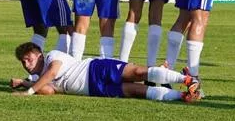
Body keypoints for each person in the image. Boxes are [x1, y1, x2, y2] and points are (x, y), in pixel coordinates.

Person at [11, 42, 202, 103]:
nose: (26, 64)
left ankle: (187, 79)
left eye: (29, 58)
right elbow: (48, 91)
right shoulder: (38, 80)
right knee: (136, 91)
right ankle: (184, 95)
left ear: (40, 55)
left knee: (137, 72)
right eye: (23, 62)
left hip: (95, 69)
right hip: (94, 89)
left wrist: (28, 90)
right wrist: (25, 83)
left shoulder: (53, 55)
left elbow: (52, 73)